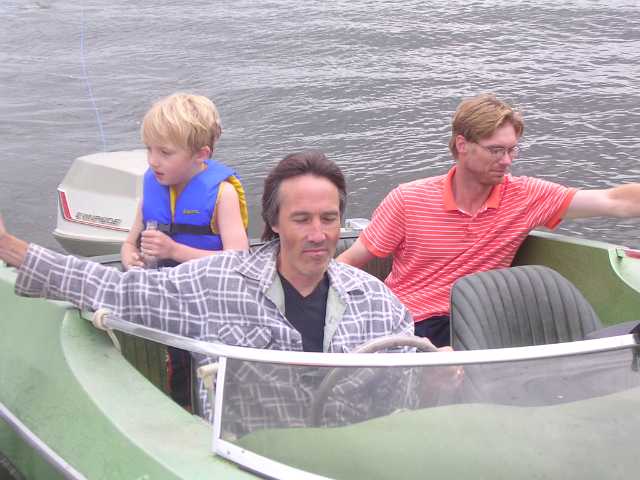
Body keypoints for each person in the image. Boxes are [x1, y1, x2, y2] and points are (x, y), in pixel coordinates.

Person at [0, 150, 416, 423]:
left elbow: (405, 398)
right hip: (245, 460)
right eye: (301, 219)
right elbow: (117, 292)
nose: (318, 235)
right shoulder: (216, 283)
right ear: (273, 222)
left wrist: (440, 375)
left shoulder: (380, 304)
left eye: (328, 219)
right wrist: (10, 248)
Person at [338, 93, 640, 348]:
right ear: (462, 145)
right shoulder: (408, 199)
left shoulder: (527, 196)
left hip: (482, 320)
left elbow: (614, 201)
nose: (507, 161)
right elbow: (348, 264)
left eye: (512, 150)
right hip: (411, 323)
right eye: (496, 150)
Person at [121, 92, 250, 411]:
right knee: (179, 372)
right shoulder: (152, 189)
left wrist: (174, 250)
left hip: (215, 310)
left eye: (165, 152)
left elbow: (238, 260)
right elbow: (128, 243)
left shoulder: (221, 195)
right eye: (149, 149)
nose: (153, 161)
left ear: (200, 154)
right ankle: (184, 412)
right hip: (172, 306)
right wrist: (130, 258)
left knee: (216, 376)